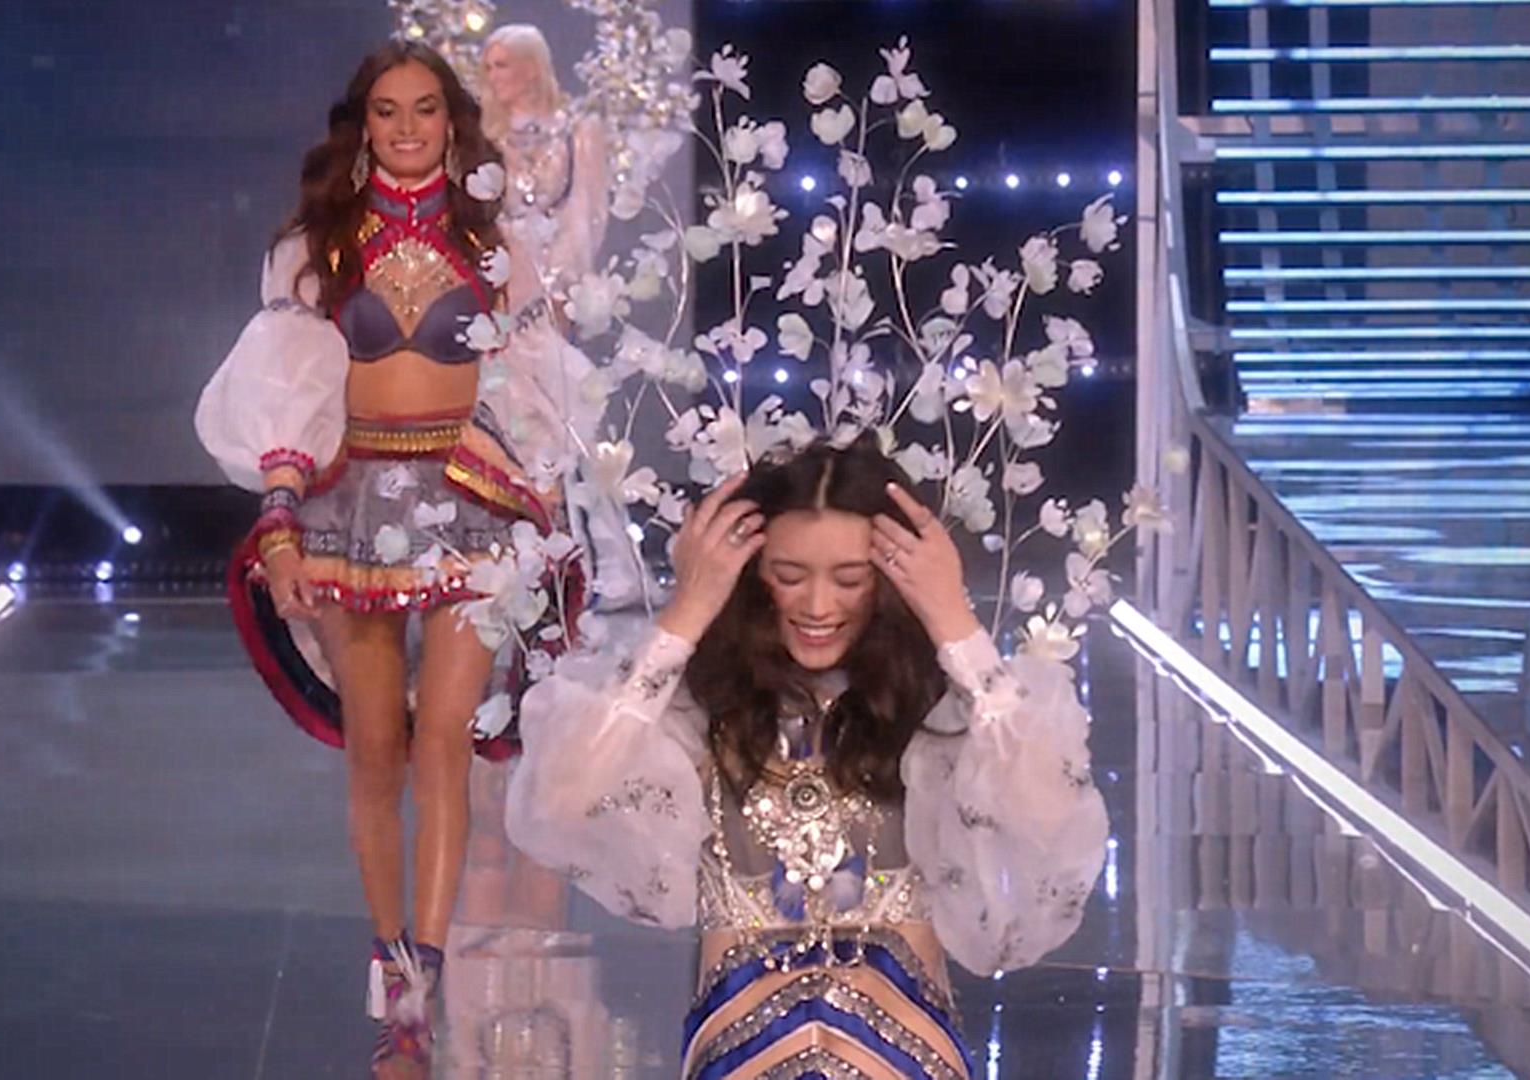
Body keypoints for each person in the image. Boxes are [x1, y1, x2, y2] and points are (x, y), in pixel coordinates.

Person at [193, 41, 577, 1073]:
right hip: (349, 509)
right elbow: (287, 385)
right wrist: (279, 520)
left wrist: (540, 502)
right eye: (387, 111)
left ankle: (420, 997)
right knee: (377, 750)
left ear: (453, 121)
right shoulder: (316, 245)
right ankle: (389, 968)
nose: (408, 128)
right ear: (362, 125)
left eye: (425, 109)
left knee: (444, 740)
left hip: (470, 505)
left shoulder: (496, 239)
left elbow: (534, 381)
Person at [506, 441, 1110, 1078]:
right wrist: (687, 611)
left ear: (893, 580)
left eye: (849, 580)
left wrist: (955, 623)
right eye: (789, 576)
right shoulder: (701, 707)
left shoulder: (940, 708)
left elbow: (1048, 818)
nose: (818, 607)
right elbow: (558, 800)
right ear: (749, 574)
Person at [477, 23, 648, 610]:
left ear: (533, 65)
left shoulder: (578, 131)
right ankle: (524, 561)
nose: (494, 76)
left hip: (544, 299)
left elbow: (586, 217)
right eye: (489, 66)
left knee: (570, 423)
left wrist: (560, 294)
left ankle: (606, 564)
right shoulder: (484, 134)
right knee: (507, 422)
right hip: (493, 293)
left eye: (504, 63)